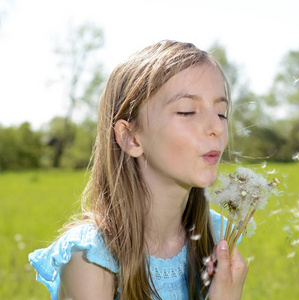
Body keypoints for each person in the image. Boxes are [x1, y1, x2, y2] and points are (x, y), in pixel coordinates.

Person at [29, 40, 248, 300]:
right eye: (187, 111)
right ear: (131, 138)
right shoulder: (93, 258)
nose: (216, 127)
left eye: (221, 113)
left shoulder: (217, 235)